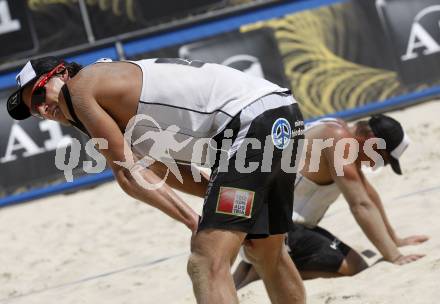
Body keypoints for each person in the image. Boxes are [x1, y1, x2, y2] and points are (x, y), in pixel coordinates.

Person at [6, 56, 306, 303]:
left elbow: (127, 173)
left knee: (205, 258)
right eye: (35, 111)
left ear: (63, 73)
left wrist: (193, 221)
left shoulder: (80, 89)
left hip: (250, 125)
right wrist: (217, 203)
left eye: (41, 94)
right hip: (281, 115)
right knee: (266, 251)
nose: (43, 109)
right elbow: (161, 168)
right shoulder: (114, 94)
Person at [233, 116, 429, 289]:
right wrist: (394, 256)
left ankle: (256, 266)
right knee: (356, 266)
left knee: (340, 257)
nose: (377, 165)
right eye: (383, 160)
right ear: (372, 142)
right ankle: (264, 271)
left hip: (259, 221)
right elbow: (360, 205)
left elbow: (368, 194)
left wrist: (394, 239)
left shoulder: (336, 129)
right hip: (273, 225)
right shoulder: (338, 141)